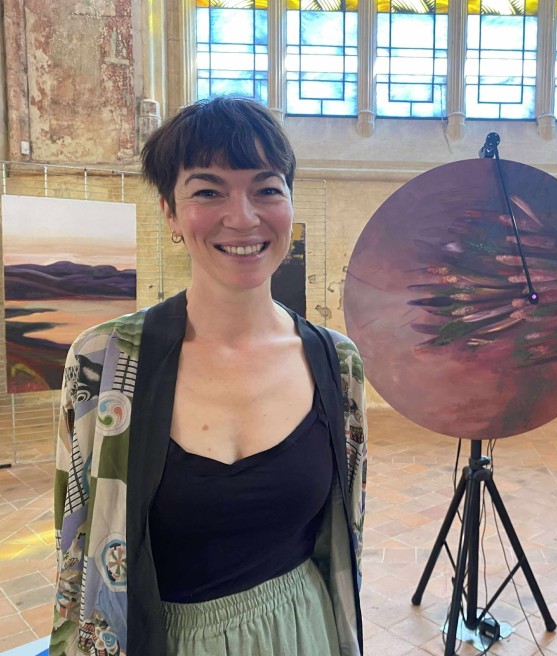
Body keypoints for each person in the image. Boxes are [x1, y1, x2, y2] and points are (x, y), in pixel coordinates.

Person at [50, 96, 367, 656]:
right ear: (170, 213)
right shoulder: (103, 362)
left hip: (302, 632)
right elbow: (75, 554)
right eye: (208, 191)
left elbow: (345, 538)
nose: (242, 217)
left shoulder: (336, 363)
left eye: (267, 189)